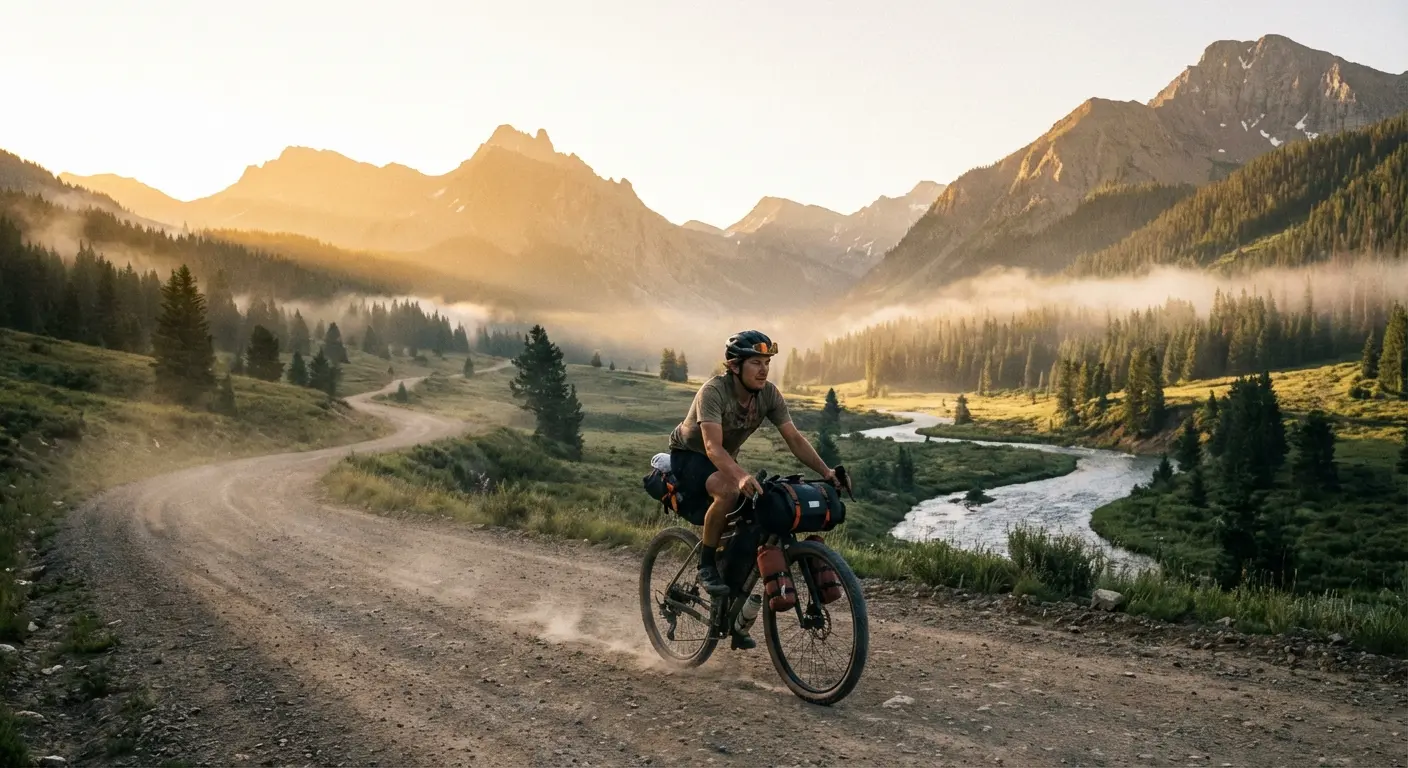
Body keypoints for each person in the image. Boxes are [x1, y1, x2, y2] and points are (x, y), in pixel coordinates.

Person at [667, 331, 847, 602]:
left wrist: (827, 472)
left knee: (754, 515)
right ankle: (705, 565)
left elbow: (794, 439)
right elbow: (712, 447)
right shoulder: (713, 392)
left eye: (767, 363)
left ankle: (733, 600)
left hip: (723, 459)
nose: (764, 370)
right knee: (729, 493)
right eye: (756, 363)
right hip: (690, 456)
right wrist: (739, 478)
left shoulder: (768, 395)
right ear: (734, 366)